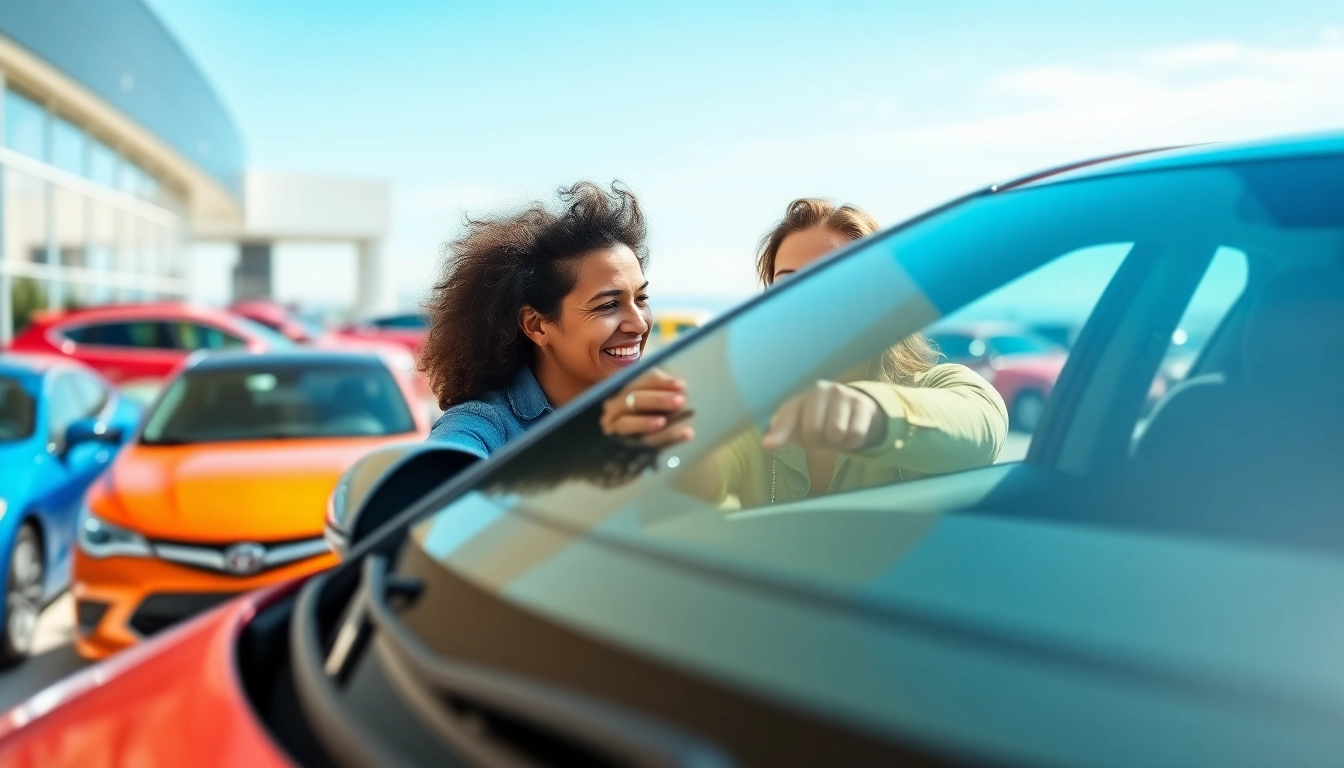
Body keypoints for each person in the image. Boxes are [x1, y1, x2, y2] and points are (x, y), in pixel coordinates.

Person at [601, 198, 1008, 507]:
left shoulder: (936, 384)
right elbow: (707, 475)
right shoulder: (752, 408)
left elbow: (980, 428)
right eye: (787, 284)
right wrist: (660, 444)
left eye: (833, 280)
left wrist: (871, 414)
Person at [423, 181, 660, 458]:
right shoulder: (488, 428)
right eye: (608, 305)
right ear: (535, 325)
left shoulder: (647, 412)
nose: (640, 324)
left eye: (641, 299)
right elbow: (440, 470)